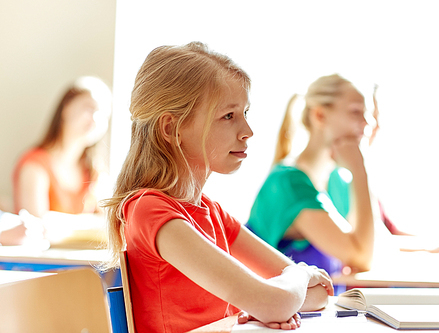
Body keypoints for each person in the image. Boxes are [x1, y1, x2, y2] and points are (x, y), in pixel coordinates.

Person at [102, 42, 333, 333]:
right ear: (172, 129)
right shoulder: (150, 212)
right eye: (229, 116)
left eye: (245, 113)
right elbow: (279, 302)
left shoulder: (211, 212)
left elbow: (319, 295)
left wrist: (270, 298)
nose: (248, 131)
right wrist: (298, 275)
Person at [247, 74, 374, 276]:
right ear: (319, 116)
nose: (367, 123)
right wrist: (360, 171)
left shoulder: (337, 180)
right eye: (356, 112)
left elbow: (373, 247)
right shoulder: (289, 184)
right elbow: (362, 257)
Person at [12, 76, 112, 218]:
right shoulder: (34, 164)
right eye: (90, 108)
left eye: (104, 115)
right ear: (66, 107)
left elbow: (108, 224)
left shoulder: (95, 171)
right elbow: (36, 227)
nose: (96, 119)